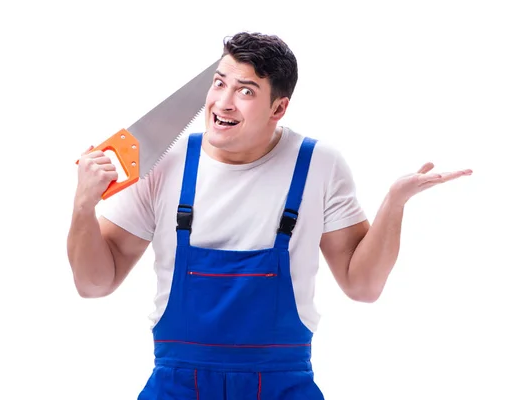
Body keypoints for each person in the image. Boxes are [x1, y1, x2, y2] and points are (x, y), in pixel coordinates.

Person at [67, 32, 472, 399]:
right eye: (219, 83)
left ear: (279, 107)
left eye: (245, 91)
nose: (222, 102)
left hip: (281, 386)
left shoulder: (319, 165)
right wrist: (84, 206)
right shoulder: (163, 164)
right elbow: (93, 284)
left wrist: (394, 204)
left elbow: (362, 286)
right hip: (177, 386)